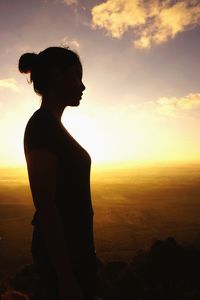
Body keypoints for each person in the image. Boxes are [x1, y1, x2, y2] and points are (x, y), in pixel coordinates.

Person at [18, 47, 97, 300]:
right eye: (76, 76)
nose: (83, 86)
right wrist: (65, 276)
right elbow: (47, 206)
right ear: (56, 77)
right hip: (62, 260)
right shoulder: (42, 126)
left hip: (73, 253)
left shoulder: (51, 126)